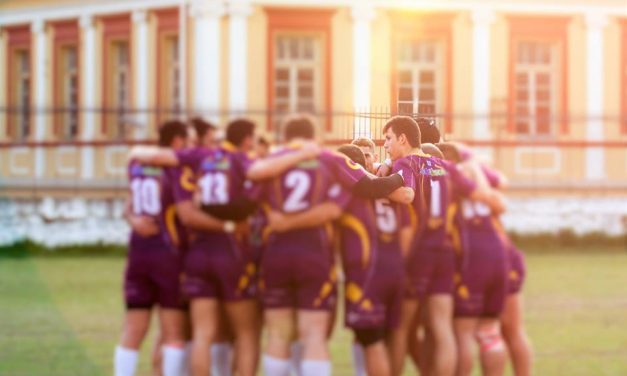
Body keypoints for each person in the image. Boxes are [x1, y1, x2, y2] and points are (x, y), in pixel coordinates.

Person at [128, 119, 262, 376]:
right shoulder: (241, 160)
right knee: (246, 333)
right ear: (247, 140)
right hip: (231, 253)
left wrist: (134, 153)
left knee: (203, 333)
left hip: (197, 252)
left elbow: (158, 159)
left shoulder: (198, 159)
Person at [382, 116, 505, 376]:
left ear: (403, 139)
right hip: (445, 253)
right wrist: (494, 201)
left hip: (417, 252)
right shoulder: (443, 166)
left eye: (388, 139)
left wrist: (375, 184)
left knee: (400, 328)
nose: (385, 145)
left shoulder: (404, 163)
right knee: (441, 328)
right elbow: (476, 193)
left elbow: (408, 195)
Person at [115, 120, 190, 376]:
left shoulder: (137, 164)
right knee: (174, 332)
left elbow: (129, 204)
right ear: (178, 141)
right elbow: (185, 212)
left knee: (132, 330)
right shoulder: (176, 169)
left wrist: (133, 219)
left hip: (138, 252)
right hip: (167, 252)